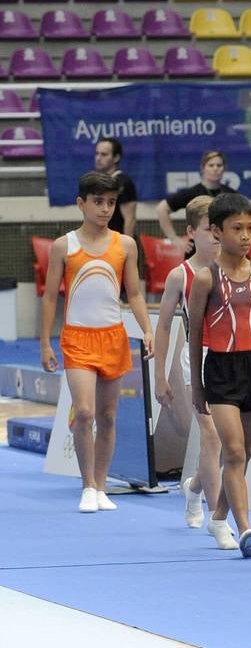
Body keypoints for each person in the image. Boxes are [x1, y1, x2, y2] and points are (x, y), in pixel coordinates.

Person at [40, 172, 154, 513]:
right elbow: (49, 298)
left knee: (107, 416)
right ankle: (87, 485)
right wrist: (46, 343)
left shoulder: (126, 245)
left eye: (111, 203)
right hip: (77, 338)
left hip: (113, 337)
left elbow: (133, 293)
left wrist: (146, 330)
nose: (105, 209)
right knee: (85, 412)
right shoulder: (65, 246)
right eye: (98, 202)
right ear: (81, 204)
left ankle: (101, 486)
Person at [187, 192, 251, 559]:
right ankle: (245, 526)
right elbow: (194, 334)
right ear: (216, 231)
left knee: (242, 453)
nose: (246, 236)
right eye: (236, 228)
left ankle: (218, 517)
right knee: (232, 450)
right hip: (220, 368)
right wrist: (197, 388)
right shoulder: (204, 279)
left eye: (250, 228)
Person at [152, 194, 222, 530]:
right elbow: (163, 326)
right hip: (197, 359)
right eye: (210, 229)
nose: (217, 236)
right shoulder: (180, 276)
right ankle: (217, 518)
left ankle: (194, 487)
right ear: (191, 232)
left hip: (233, 359)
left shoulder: (238, 269)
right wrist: (159, 377)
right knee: (212, 436)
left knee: (226, 442)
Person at [157, 151, 234, 253]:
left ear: (224, 168)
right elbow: (161, 208)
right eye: (211, 165)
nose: (215, 168)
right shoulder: (192, 193)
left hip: (225, 248)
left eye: (219, 165)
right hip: (198, 249)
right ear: (203, 168)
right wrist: (174, 239)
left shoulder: (231, 194)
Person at [92, 139, 138, 238]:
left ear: (116, 157)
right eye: (97, 154)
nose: (98, 158)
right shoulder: (97, 182)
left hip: (118, 243)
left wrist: (127, 249)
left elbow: (130, 219)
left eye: (104, 154)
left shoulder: (123, 183)